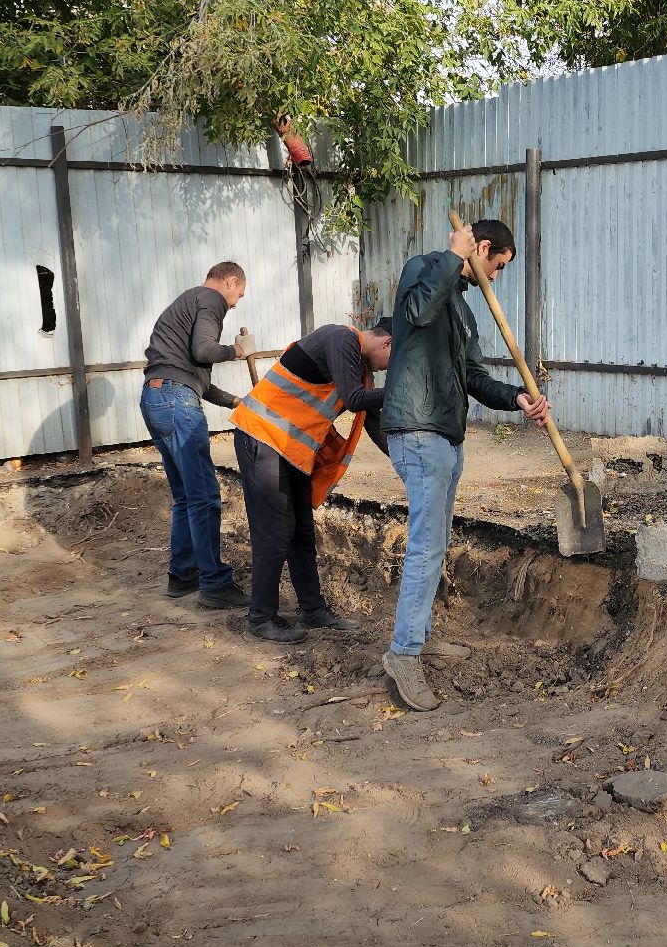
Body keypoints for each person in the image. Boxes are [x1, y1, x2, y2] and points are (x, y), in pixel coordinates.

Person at [380, 219, 551, 710]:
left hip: (447, 439)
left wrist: (517, 397)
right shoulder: (424, 270)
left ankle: (418, 641)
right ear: (480, 248)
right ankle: (404, 653)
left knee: (435, 545)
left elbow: (474, 377)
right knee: (425, 547)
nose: (495, 277)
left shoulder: (461, 308)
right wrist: (454, 258)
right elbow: (413, 312)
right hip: (419, 431)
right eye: (496, 265)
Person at [229, 319, 394, 643]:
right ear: (387, 343)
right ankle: (260, 617)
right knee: (274, 531)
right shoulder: (340, 339)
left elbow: (374, 421)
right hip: (262, 439)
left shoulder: (358, 369)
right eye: (395, 360)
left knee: (301, 530)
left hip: (290, 450)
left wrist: (408, 463)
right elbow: (356, 398)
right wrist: (403, 389)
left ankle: (312, 610)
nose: (391, 370)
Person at [140, 261, 255, 610]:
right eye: (238, 295)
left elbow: (195, 380)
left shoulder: (188, 304)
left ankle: (183, 575)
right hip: (175, 402)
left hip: (156, 398)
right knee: (204, 495)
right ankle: (215, 583)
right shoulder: (210, 299)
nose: (235, 304)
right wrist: (237, 351)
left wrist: (236, 401)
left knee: (187, 496)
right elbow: (204, 351)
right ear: (229, 282)